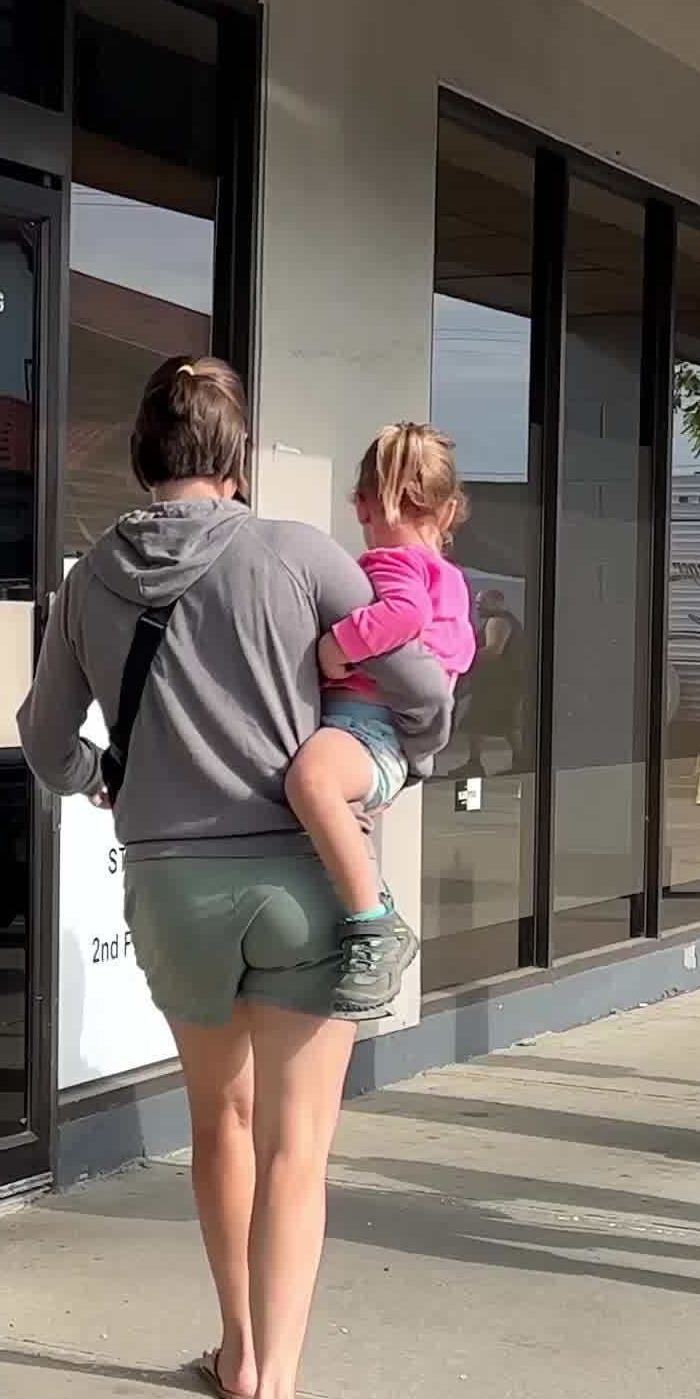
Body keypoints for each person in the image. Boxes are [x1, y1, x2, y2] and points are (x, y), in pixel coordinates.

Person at [18, 357, 453, 1399]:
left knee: (220, 1118)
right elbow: (419, 681)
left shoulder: (89, 580)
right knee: (298, 1148)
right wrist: (397, 746)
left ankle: (237, 1348)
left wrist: (105, 775)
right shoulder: (300, 554)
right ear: (236, 457)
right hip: (302, 878)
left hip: (171, 886)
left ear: (144, 460)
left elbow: (43, 735)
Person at [285, 422, 475, 1018]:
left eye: (361, 509)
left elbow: (402, 614)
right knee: (327, 814)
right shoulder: (453, 580)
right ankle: (369, 899)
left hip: (364, 726)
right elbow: (460, 652)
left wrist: (335, 647)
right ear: (447, 511)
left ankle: (376, 923)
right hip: (389, 740)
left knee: (308, 782)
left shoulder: (389, 562)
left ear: (366, 503)